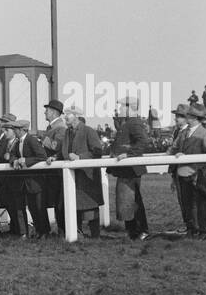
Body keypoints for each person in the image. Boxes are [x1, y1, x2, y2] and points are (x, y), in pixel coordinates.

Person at [168, 103, 206, 237]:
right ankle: (192, 229)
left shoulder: (205, 134)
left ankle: (203, 230)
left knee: (199, 204)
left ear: (194, 117)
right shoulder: (183, 133)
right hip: (183, 175)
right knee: (187, 203)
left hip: (198, 175)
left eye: (188, 114)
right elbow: (173, 148)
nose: (185, 116)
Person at [61, 105, 106, 237]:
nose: (65, 117)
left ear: (76, 116)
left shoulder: (88, 131)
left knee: (90, 205)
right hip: (73, 177)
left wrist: (80, 157)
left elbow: (97, 151)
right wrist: (54, 157)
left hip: (87, 176)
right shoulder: (67, 132)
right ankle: (77, 233)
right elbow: (64, 151)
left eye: (68, 114)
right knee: (74, 206)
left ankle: (95, 235)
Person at [111, 98, 151, 240]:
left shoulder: (133, 122)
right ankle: (134, 231)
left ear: (129, 108)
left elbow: (144, 141)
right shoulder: (127, 122)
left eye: (122, 107)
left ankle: (139, 230)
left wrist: (128, 154)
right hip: (127, 169)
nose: (120, 109)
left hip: (131, 169)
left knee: (133, 200)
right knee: (130, 199)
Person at [39, 97, 68, 231]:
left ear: (54, 112)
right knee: (55, 201)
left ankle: (63, 229)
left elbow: (57, 146)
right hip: (51, 171)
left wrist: (42, 140)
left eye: (47, 111)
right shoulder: (52, 127)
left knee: (59, 201)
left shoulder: (60, 127)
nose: (45, 113)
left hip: (56, 172)